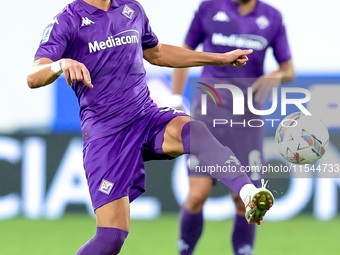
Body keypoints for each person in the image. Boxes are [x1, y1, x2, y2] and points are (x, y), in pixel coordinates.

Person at [27, 0, 274, 254]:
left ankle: (248, 192)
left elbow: (156, 53)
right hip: (106, 135)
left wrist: (219, 58)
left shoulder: (131, 9)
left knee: (195, 131)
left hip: (145, 116)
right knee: (111, 238)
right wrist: (59, 65)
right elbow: (34, 76)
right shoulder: (68, 20)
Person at [171, 0, 294, 254]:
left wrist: (275, 76)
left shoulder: (272, 17)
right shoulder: (209, 8)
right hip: (209, 112)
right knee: (197, 195)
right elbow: (183, 52)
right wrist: (175, 99)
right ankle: (184, 251)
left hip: (247, 116)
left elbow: (289, 69)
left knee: (244, 200)